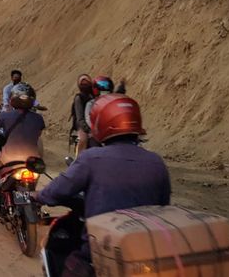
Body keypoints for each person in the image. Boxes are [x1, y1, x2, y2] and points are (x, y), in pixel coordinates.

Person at [35, 94, 170, 277]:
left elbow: (59, 189)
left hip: (102, 253)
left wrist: (39, 196)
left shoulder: (92, 158)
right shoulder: (157, 162)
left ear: (101, 124)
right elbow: (163, 206)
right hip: (147, 253)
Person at [0, 82, 45, 210]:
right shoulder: (38, 119)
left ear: (13, 98)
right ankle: (28, 198)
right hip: (33, 162)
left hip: (9, 160)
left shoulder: (4, 116)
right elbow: (37, 134)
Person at [82, 75, 126, 148]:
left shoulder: (114, 101)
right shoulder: (91, 104)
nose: (105, 88)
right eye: (102, 85)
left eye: (106, 85)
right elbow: (89, 119)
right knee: (92, 146)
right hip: (97, 134)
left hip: (114, 132)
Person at [70, 74, 94, 151]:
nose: (85, 84)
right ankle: (79, 160)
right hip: (83, 125)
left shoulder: (94, 95)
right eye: (83, 83)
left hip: (95, 123)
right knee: (83, 140)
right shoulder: (78, 98)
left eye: (87, 82)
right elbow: (80, 118)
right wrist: (87, 129)